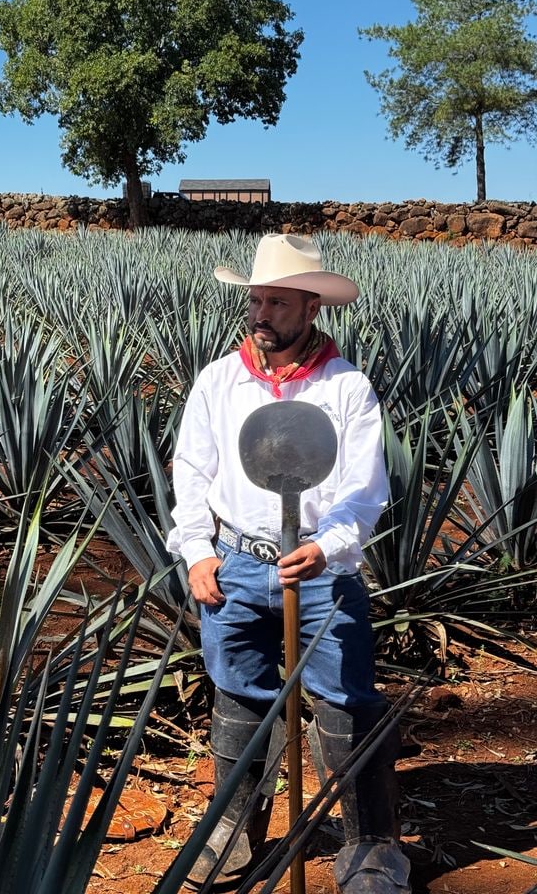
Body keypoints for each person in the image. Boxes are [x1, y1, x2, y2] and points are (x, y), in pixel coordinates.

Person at [167, 234, 410, 893]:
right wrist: (196, 552)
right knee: (240, 694)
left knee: (345, 703)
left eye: (278, 301)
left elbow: (364, 489)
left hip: (322, 571)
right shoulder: (219, 380)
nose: (262, 312)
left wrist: (327, 549)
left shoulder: (345, 387)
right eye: (256, 300)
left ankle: (371, 845)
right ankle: (233, 829)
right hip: (235, 566)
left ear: (311, 309)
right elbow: (190, 472)